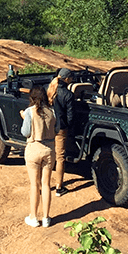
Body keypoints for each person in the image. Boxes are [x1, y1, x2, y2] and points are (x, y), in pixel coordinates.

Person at [20, 85, 56, 228]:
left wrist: (24, 117)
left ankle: (33, 217)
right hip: (49, 149)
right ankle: (46, 218)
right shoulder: (52, 111)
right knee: (46, 184)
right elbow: (57, 128)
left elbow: (25, 132)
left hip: (34, 148)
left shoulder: (30, 111)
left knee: (35, 184)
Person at [48, 68, 75, 197]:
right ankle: (59, 187)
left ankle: (44, 185)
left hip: (48, 129)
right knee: (60, 158)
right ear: (67, 79)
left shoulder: (50, 90)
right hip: (60, 129)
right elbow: (70, 117)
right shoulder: (68, 95)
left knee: (47, 157)